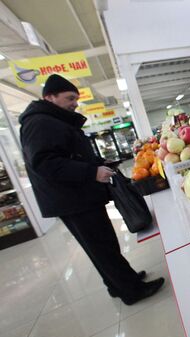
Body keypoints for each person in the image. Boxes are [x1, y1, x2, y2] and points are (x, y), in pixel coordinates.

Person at [19, 74, 164, 305]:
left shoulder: (53, 119)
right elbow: (45, 164)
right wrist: (90, 172)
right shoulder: (39, 123)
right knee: (102, 245)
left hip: (76, 196)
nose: (75, 103)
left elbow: (70, 154)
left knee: (101, 244)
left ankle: (117, 283)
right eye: (69, 98)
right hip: (72, 200)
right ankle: (131, 290)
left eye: (76, 98)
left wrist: (97, 163)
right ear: (50, 97)